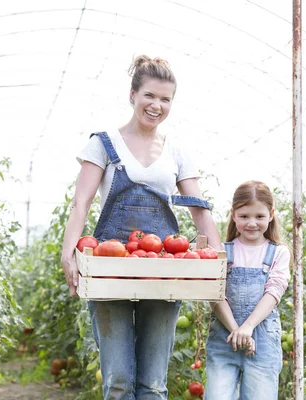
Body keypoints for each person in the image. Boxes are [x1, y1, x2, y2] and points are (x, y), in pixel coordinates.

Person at [60, 55, 221, 399]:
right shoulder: (103, 144)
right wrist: (68, 252)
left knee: (153, 384)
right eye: (150, 95)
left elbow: (199, 209)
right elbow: (81, 204)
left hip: (164, 264)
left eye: (166, 99)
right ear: (132, 94)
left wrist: (218, 258)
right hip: (109, 263)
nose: (157, 105)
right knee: (117, 381)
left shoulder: (177, 152)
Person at [204, 180, 291, 400]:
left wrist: (249, 327)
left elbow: (274, 293)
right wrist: (237, 331)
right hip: (225, 337)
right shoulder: (222, 251)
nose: (252, 223)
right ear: (233, 215)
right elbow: (215, 294)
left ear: (271, 214)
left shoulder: (279, 253)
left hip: (262, 342)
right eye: (244, 216)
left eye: (259, 216)